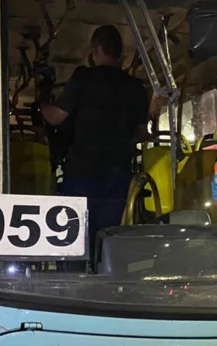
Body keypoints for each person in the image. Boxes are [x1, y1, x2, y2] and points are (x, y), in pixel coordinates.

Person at [40, 25, 150, 260]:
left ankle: (77, 285)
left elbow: (57, 117)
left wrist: (41, 105)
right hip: (118, 175)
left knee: (76, 240)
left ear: (96, 50)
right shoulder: (136, 88)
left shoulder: (83, 78)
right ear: (120, 53)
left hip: (83, 172)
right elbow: (142, 134)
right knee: (109, 238)